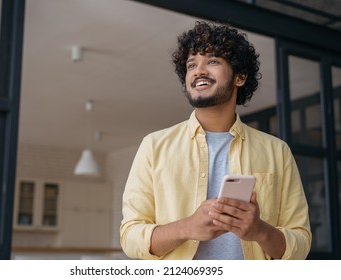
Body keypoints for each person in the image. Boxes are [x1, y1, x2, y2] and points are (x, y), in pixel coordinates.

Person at [120, 21, 311, 260]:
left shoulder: (277, 151)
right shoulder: (154, 146)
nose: (199, 70)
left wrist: (260, 231)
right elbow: (130, 237)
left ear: (240, 76)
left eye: (212, 61)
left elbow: (301, 243)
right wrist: (187, 227)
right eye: (191, 65)